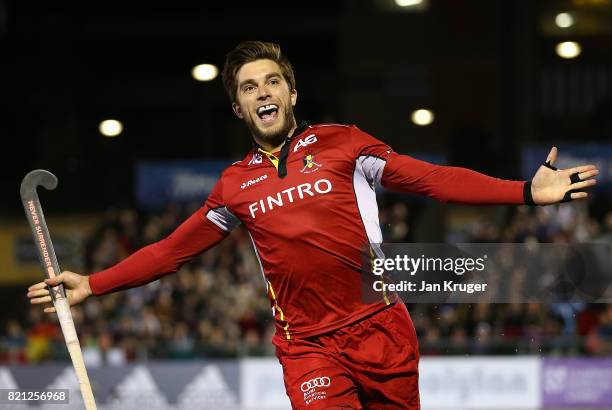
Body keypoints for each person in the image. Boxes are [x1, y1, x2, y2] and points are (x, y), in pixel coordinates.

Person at [27, 41, 599, 409]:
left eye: (271, 81)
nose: (262, 92)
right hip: (308, 347)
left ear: (292, 91)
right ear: (239, 110)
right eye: (248, 88)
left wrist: (524, 191)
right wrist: (93, 284)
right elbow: (173, 251)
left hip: (382, 328)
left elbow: (430, 179)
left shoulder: (345, 144)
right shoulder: (233, 185)